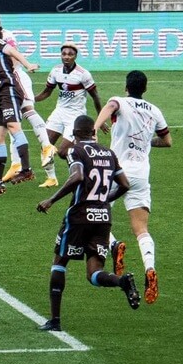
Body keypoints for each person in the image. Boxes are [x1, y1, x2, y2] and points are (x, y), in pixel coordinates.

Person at [36, 115, 140, 331]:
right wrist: (104, 200)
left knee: (60, 261)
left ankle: (55, 321)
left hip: (79, 216)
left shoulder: (76, 150)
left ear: (74, 134)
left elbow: (77, 177)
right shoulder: (109, 153)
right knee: (94, 272)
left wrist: (51, 199)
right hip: (103, 217)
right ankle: (121, 282)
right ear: (93, 132)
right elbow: (125, 184)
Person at [94, 70, 171, 305]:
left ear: (126, 87)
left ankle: (114, 244)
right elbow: (167, 141)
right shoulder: (155, 110)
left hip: (117, 170)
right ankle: (150, 267)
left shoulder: (120, 101)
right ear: (145, 89)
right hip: (141, 174)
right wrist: (147, 142)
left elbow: (106, 112)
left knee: (96, 213)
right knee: (141, 228)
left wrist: (96, 129)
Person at [0, 8, 57, 186]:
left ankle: (46, 146)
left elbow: (12, 52)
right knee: (13, 121)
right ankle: (16, 164)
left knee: (26, 110)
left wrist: (18, 69)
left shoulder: (5, 35)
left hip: (16, 77)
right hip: (9, 79)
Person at [0, 30, 40, 200]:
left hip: (9, 92)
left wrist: (28, 65)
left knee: (13, 127)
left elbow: (12, 51)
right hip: (2, 96)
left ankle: (26, 170)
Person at [35, 42, 106, 188]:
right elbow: (46, 92)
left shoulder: (83, 74)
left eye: (70, 54)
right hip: (59, 112)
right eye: (64, 54)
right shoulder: (55, 71)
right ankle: (52, 178)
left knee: (62, 152)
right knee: (45, 145)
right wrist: (30, 100)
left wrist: (101, 118)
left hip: (75, 116)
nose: (66, 57)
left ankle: (81, 173)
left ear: (75, 56)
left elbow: (96, 96)